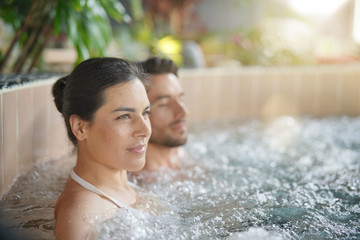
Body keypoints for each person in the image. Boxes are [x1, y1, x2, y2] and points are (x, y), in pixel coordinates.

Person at [52, 57, 151, 239]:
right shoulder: (82, 215)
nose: (145, 130)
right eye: (124, 117)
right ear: (80, 128)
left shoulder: (127, 189)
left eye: (145, 113)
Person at [138, 57, 189, 171]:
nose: (183, 112)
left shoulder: (181, 156)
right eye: (164, 104)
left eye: (181, 99)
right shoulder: (137, 180)